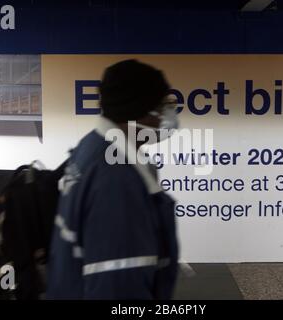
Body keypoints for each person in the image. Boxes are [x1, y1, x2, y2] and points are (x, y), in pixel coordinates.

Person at [47, 59, 179, 299]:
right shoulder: (118, 182)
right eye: (161, 107)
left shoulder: (91, 146)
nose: (165, 117)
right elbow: (119, 285)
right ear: (138, 111)